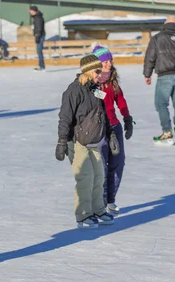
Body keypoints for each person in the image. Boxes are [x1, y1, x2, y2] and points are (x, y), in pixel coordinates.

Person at [56, 54, 116, 229]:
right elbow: (64, 118)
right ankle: (83, 215)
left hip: (94, 140)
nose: (100, 74)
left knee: (99, 176)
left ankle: (97, 210)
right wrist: (61, 142)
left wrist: (111, 134)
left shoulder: (96, 90)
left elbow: (103, 114)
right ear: (87, 71)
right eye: (97, 70)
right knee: (86, 177)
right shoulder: (73, 90)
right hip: (77, 141)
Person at [92, 45, 133, 215]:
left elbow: (121, 101)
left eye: (110, 60)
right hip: (98, 128)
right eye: (105, 61)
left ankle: (110, 200)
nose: (109, 64)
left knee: (118, 164)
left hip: (114, 126)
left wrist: (127, 118)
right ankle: (100, 203)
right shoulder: (91, 83)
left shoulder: (113, 81)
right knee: (101, 167)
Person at [144, 16, 175, 145]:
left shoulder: (157, 38)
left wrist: (147, 74)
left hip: (165, 75)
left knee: (161, 104)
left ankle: (167, 131)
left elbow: (150, 56)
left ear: (165, 23)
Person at [30, 6, 46, 71]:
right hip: (39, 35)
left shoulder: (38, 18)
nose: (29, 12)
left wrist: (37, 36)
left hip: (40, 36)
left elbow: (39, 28)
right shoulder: (37, 17)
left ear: (34, 11)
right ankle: (40, 66)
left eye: (30, 11)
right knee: (39, 51)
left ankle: (42, 66)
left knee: (39, 51)